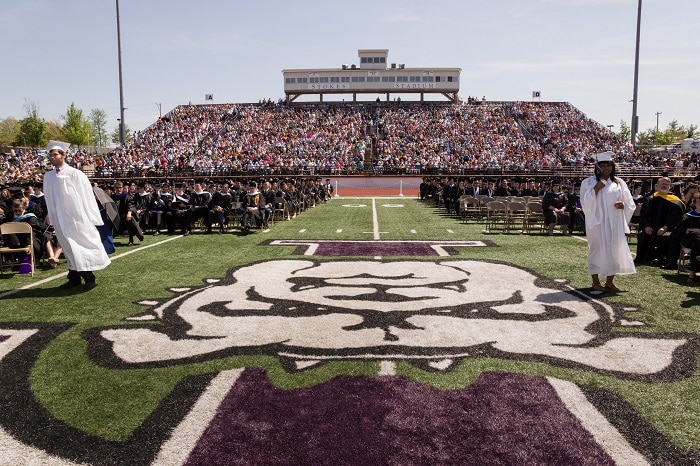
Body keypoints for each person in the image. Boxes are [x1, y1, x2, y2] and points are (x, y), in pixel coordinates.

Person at [42, 141, 110, 290]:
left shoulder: (74, 174)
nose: (52, 157)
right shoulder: (48, 176)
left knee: (79, 246)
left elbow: (87, 196)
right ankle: (74, 278)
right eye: (50, 155)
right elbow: (48, 198)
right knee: (67, 247)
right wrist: (50, 214)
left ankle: (89, 278)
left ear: (63, 155)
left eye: (55, 155)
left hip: (76, 217)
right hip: (60, 218)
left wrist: (91, 216)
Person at [580, 151, 636, 293]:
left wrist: (622, 205)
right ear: (597, 167)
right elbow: (585, 203)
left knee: (613, 250)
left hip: (614, 221)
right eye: (603, 165)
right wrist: (596, 189)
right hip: (597, 223)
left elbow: (629, 202)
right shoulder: (588, 182)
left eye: (609, 165)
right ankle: (595, 281)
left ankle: (609, 282)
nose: (607, 168)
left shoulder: (619, 182)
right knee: (597, 249)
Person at [635, 176, 685, 266]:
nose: (664, 186)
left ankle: (668, 260)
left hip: (667, 228)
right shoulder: (650, 199)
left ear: (670, 186)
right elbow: (643, 215)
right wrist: (646, 226)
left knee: (669, 236)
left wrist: (665, 228)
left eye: (667, 184)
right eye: (662, 184)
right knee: (642, 234)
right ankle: (642, 257)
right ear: (657, 186)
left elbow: (676, 218)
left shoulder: (675, 201)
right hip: (651, 226)